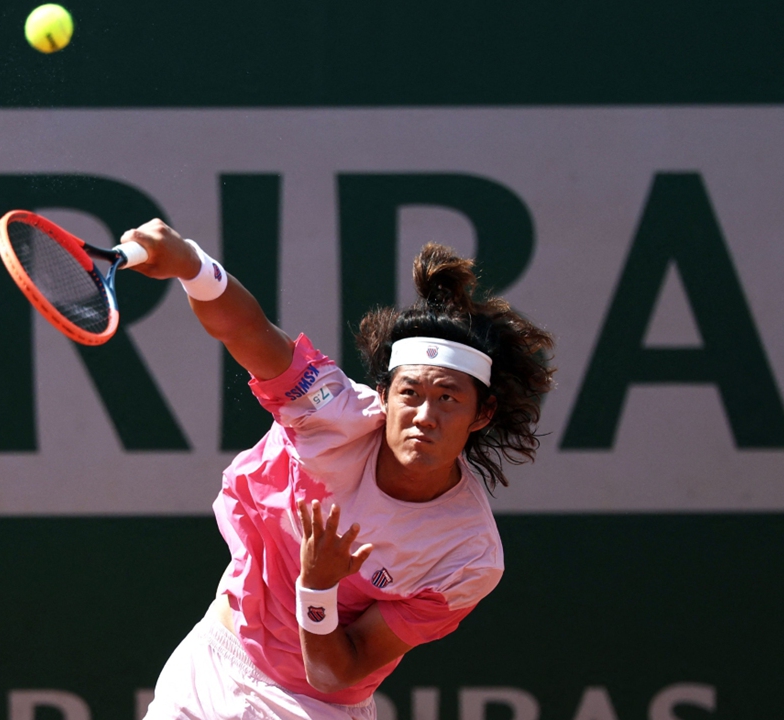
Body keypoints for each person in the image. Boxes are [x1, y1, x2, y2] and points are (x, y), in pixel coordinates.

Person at [121, 219, 556, 720]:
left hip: (311, 708)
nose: (424, 416)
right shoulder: (329, 412)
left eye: (448, 399)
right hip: (211, 667)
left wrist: (318, 586)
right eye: (410, 394)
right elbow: (249, 331)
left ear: (481, 414)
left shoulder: (468, 557)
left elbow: (335, 674)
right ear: (386, 397)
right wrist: (193, 266)